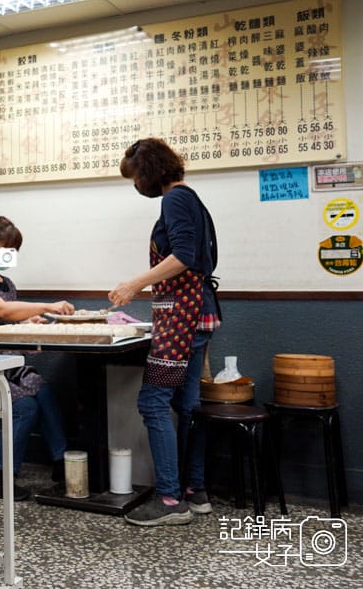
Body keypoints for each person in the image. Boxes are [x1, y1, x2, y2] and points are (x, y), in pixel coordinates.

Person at [108, 138, 221, 527]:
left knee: (153, 402)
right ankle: (195, 489)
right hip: (200, 315)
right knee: (187, 405)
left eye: (136, 176)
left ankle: (170, 499)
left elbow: (185, 256)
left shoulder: (174, 200)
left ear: (150, 170)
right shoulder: (192, 199)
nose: (136, 185)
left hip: (181, 318)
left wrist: (133, 285)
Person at [0, 216, 75, 501]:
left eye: (15, 251)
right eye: (9, 249)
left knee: (44, 392)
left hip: (9, 365)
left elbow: (10, 320)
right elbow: (2, 312)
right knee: (25, 407)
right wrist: (48, 306)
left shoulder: (7, 282)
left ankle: (62, 465)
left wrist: (29, 325)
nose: (13, 256)